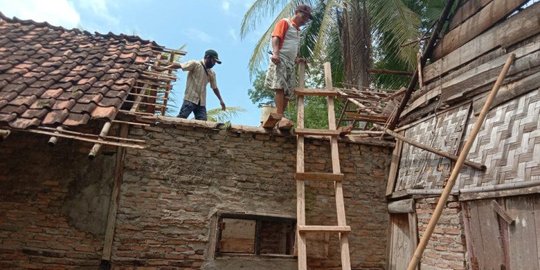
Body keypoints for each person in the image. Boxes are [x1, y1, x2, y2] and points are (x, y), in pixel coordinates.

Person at [265, 4, 312, 128]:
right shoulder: (285, 22)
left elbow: (291, 47)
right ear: (297, 12)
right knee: (280, 87)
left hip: (290, 63)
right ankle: (279, 116)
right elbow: (276, 37)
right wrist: (275, 54)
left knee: (288, 91)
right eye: (304, 16)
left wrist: (297, 59)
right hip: (280, 59)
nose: (305, 20)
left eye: (307, 18)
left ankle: (281, 115)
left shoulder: (297, 31)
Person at [166, 49, 226, 121]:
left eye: (215, 62)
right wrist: (163, 69)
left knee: (203, 123)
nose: (214, 63)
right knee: (181, 118)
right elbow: (178, 65)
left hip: (201, 102)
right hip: (190, 98)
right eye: (213, 61)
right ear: (207, 57)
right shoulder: (195, 64)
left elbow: (215, 87)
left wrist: (221, 100)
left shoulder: (212, 73)